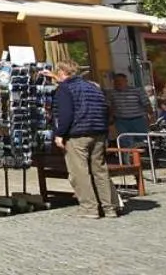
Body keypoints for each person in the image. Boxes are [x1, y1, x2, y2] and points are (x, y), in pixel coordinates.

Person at [53, 60, 120, 218]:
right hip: (99, 132)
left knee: (79, 172)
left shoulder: (65, 88)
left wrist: (59, 134)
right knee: (100, 171)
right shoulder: (92, 86)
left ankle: (89, 208)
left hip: (78, 134)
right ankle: (109, 208)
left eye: (57, 73)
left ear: (62, 72)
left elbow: (66, 114)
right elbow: (106, 108)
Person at [108, 73, 150, 143]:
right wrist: (110, 118)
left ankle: (144, 153)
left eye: (121, 81)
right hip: (121, 121)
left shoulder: (137, 91)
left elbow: (146, 104)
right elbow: (111, 106)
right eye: (116, 81)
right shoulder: (111, 93)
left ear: (126, 81)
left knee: (142, 140)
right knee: (125, 141)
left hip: (138, 120)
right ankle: (127, 153)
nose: (118, 83)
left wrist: (150, 117)